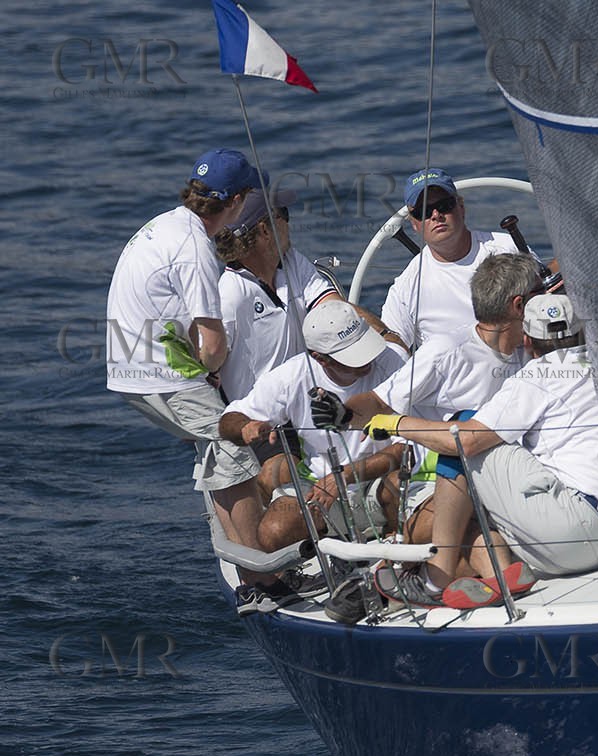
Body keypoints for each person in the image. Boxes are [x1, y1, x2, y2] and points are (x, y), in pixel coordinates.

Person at [360, 293, 598, 608]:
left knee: (460, 431)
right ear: (581, 331)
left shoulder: (537, 375)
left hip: (570, 537)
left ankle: (436, 580)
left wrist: (396, 424)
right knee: (478, 496)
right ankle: (500, 572)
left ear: (527, 340)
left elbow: (466, 439)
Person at [105, 148, 270, 574]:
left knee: (217, 449)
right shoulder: (195, 247)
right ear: (234, 201)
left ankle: (241, 561)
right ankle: (262, 575)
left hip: (130, 365)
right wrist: (212, 374)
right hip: (158, 372)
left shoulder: (165, 223)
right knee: (237, 456)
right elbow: (213, 342)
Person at [218, 302, 408, 611]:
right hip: (322, 491)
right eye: (353, 358)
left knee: (400, 482)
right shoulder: (293, 375)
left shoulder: (395, 363)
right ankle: (336, 551)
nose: (367, 363)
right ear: (319, 359)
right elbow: (228, 420)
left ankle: (394, 556)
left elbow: (405, 447)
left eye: (364, 347)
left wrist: (344, 475)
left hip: (380, 481)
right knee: (274, 530)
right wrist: (246, 427)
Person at [379, 168, 547, 349]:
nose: (436, 215)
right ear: (414, 223)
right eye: (424, 211)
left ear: (461, 207)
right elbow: (392, 353)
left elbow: (548, 302)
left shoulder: (509, 248)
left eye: (444, 205)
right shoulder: (405, 287)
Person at [213, 186, 340, 404]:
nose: (289, 224)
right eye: (284, 215)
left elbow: (335, 312)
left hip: (306, 409)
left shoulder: (291, 261)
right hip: (261, 426)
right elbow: (204, 371)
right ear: (265, 231)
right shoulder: (230, 296)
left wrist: (385, 337)